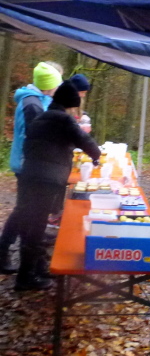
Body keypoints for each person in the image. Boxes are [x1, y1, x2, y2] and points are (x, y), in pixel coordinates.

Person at [10, 81, 101, 290]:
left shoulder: (41, 117)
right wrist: (96, 155)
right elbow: (84, 140)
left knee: (31, 223)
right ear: (69, 104)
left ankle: (37, 267)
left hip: (29, 175)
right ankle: (25, 278)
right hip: (46, 179)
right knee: (36, 226)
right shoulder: (64, 119)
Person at [0, 62, 62, 274]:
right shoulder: (32, 104)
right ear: (50, 84)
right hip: (28, 164)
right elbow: (37, 137)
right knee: (25, 211)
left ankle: (21, 254)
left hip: (31, 163)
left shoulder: (37, 100)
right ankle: (10, 254)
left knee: (25, 210)